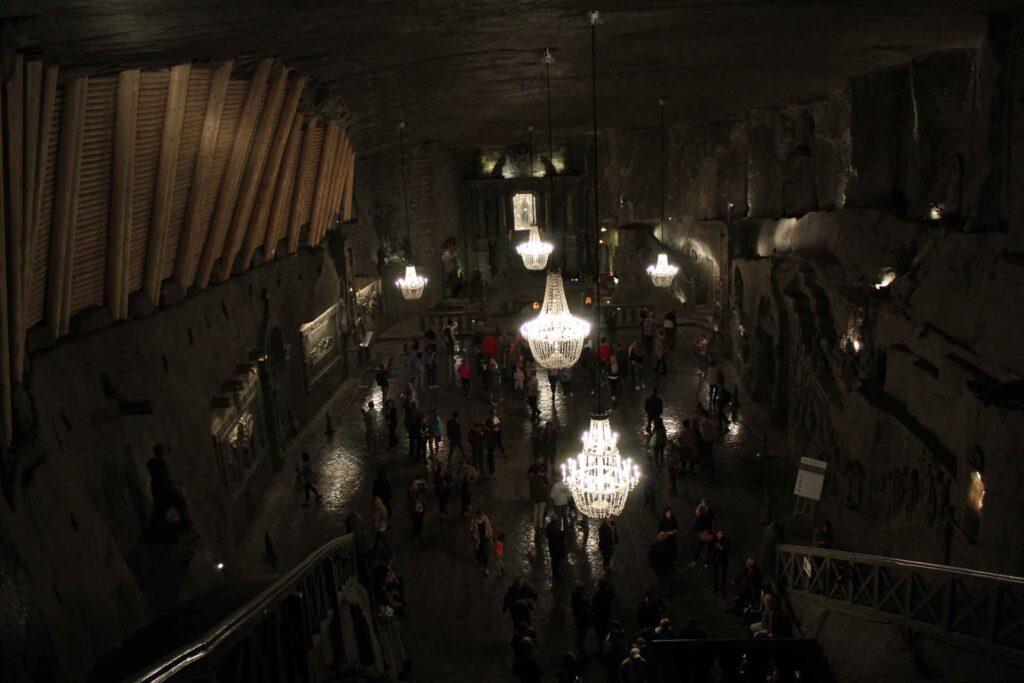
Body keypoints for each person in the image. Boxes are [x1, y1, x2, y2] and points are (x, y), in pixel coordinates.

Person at [691, 500, 716, 566]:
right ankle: (706, 563)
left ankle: (695, 561)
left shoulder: (703, 517)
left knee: (699, 549)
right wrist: (704, 505)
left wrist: (701, 504)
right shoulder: (712, 519)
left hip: (704, 536)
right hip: (709, 536)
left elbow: (697, 511)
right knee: (708, 551)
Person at [470, 508, 493, 575]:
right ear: (477, 515)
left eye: (482, 515)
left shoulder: (485, 519)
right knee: (478, 554)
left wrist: (490, 537)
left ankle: (485, 567)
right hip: (477, 540)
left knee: (485, 554)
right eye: (479, 515)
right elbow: (471, 529)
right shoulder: (474, 521)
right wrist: (473, 534)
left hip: (485, 539)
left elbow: (489, 527)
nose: (481, 516)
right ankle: (480, 564)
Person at [591, 579, 615, 645]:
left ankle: (602, 650)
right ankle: (604, 649)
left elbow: (594, 607)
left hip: (601, 619)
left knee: (601, 636)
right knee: (605, 635)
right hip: (605, 618)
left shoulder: (598, 596)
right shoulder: (606, 595)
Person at [528, 458, 549, 530]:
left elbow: (531, 486)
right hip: (542, 496)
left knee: (536, 510)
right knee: (541, 511)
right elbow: (545, 486)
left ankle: (536, 524)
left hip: (535, 496)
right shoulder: (542, 479)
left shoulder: (533, 479)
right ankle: (540, 525)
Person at [570, 586, 592, 655]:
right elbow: (585, 608)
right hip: (582, 620)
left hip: (580, 620)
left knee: (581, 635)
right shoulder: (580, 602)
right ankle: (581, 650)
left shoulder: (575, 601)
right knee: (582, 635)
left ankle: (581, 649)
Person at [545, 515, 567, 581]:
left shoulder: (549, 528)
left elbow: (547, 535)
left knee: (554, 563)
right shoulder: (559, 532)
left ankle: (555, 575)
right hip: (558, 550)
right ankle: (557, 576)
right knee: (557, 564)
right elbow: (562, 541)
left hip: (552, 549)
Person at [712, 529, 731, 595]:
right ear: (717, 534)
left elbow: (726, 550)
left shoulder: (725, 541)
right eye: (719, 534)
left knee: (723, 575)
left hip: (723, 559)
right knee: (716, 574)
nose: (720, 535)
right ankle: (716, 588)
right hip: (716, 559)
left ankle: (722, 589)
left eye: (722, 534)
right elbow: (711, 549)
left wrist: (720, 547)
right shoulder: (714, 540)